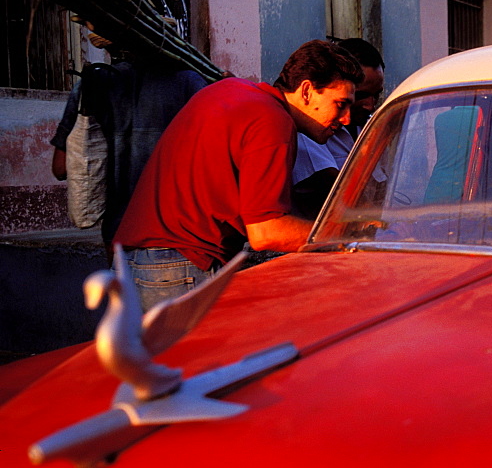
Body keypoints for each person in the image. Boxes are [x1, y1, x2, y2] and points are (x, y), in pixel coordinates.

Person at [114, 39, 363, 311]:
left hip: (136, 261)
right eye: (341, 104)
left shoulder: (233, 89)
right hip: (180, 265)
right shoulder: (272, 120)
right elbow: (266, 232)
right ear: (306, 91)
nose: (347, 119)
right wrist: (346, 234)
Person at [50, 43, 207, 257]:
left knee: (124, 291)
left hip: (118, 235)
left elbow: (60, 167)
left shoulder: (91, 85)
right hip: (179, 236)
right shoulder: (191, 82)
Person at [292, 39, 385, 216]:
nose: (370, 106)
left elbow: (382, 188)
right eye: (361, 95)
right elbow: (339, 195)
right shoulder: (309, 130)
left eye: (377, 95)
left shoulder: (368, 125)